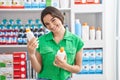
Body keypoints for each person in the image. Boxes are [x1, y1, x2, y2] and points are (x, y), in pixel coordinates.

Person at [27, 6, 84, 80]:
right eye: (47, 24)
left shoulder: (77, 41)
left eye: (53, 20)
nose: (51, 25)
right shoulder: (41, 41)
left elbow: (78, 68)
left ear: (60, 17)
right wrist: (31, 55)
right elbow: (38, 70)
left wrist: (64, 65)